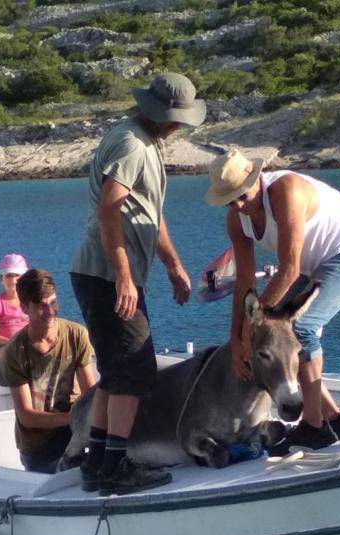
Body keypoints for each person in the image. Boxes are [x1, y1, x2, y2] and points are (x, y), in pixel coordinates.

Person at [70, 72, 202, 495]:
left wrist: (172, 265)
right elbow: (112, 204)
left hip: (104, 273)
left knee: (114, 372)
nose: (179, 126)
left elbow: (149, 212)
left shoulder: (146, 144)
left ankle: (98, 464)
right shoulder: (131, 144)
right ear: (161, 115)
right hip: (106, 275)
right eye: (177, 119)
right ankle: (115, 467)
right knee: (135, 370)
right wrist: (124, 274)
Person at [204, 149, 340, 451]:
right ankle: (333, 417)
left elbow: (289, 269)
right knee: (276, 332)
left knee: (301, 328)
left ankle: (314, 427)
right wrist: (236, 339)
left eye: (242, 196)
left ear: (255, 180)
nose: (238, 205)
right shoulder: (237, 220)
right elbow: (245, 285)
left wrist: (253, 328)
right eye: (229, 200)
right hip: (315, 263)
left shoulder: (286, 192)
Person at [0, 269, 96, 474]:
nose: (50, 311)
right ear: (24, 307)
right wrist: (73, 417)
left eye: (53, 302)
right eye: (42, 306)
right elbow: (26, 416)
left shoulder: (77, 335)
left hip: (77, 434)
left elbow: (91, 393)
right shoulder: (15, 351)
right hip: (39, 447)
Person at [0, 252, 30, 361]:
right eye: (9, 275)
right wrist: (12, 342)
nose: (13, 279)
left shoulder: (30, 301)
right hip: (3, 347)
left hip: (27, 346)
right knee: (13, 354)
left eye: (17, 275)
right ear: (1, 278)